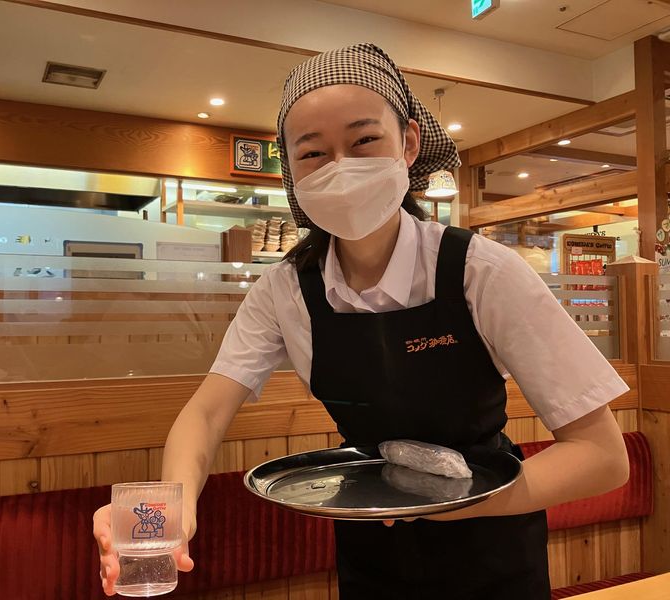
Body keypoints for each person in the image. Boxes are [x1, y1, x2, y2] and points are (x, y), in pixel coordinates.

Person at [94, 43, 630, 599]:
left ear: (409, 142)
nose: (340, 167)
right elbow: (205, 415)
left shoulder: (480, 270)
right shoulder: (285, 290)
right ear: (291, 171)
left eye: (364, 140)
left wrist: (452, 507)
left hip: (494, 544)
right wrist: (171, 510)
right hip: (370, 538)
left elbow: (601, 457)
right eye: (312, 153)